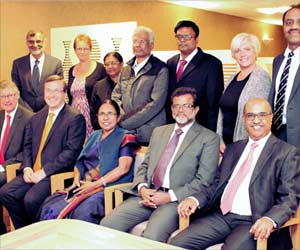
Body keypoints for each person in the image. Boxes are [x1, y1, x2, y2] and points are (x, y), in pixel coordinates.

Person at [170, 97, 300, 250]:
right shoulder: (233, 149)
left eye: (262, 115)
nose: (256, 120)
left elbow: (289, 198)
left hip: (254, 221)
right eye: (250, 115)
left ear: (271, 117)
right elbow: (217, 185)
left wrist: (270, 219)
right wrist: (194, 199)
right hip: (222, 217)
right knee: (176, 243)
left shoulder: (286, 153)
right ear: (244, 119)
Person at [101, 87, 220, 243]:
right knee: (106, 225)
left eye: (186, 106)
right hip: (147, 195)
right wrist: (142, 187)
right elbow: (145, 166)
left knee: (151, 238)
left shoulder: (209, 138)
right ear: (171, 109)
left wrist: (169, 196)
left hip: (175, 201)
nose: (180, 110)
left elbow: (204, 181)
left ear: (196, 109)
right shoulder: (159, 132)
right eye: (176, 106)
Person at [0, 75, 86, 229]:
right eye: (48, 90)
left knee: (31, 199)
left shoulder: (74, 118)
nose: (51, 95)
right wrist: (26, 167)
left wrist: (44, 172)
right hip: (32, 171)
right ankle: (26, 231)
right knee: (6, 192)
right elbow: (27, 146)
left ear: (65, 93)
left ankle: (41, 232)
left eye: (56, 91)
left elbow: (70, 153)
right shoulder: (37, 117)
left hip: (55, 174)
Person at [39, 99, 139, 224]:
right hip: (84, 185)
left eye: (110, 114)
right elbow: (80, 162)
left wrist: (96, 184)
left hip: (108, 189)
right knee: (50, 206)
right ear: (97, 117)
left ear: (118, 117)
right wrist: (76, 179)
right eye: (102, 114)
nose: (106, 118)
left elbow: (123, 168)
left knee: (83, 212)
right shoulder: (94, 135)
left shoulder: (127, 137)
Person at [112, 26, 168, 145]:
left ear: (151, 45)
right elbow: (116, 96)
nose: (137, 45)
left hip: (149, 134)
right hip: (125, 133)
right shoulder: (126, 69)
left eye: (142, 41)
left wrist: (125, 122)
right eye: (135, 41)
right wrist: (121, 116)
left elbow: (155, 103)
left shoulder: (160, 69)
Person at [217, 33, 271, 154]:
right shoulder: (232, 78)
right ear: (233, 55)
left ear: (255, 52)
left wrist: (244, 147)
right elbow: (222, 111)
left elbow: (258, 119)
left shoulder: (261, 78)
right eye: (237, 51)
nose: (242, 54)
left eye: (247, 49)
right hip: (226, 144)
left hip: (246, 146)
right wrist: (219, 139)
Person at [166, 20, 224, 131]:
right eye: (179, 36)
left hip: (199, 127)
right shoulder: (170, 62)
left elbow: (213, 104)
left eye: (187, 36)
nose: (182, 40)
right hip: (174, 125)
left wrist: (211, 134)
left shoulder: (212, 64)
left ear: (197, 39)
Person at [0, 80, 33, 234]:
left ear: (17, 95)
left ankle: (22, 232)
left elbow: (26, 152)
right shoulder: (0, 116)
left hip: (13, 168)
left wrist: (3, 167)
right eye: (3, 97)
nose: (7, 100)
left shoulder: (28, 118)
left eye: (10, 95)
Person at [269, 4, 300, 147]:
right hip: (276, 133)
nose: (294, 26)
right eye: (289, 22)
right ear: (283, 28)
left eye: (299, 22)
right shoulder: (278, 60)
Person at [11, 30, 63, 112]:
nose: (35, 45)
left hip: (49, 111)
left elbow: (58, 90)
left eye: (38, 41)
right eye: (31, 42)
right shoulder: (18, 64)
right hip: (25, 114)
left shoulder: (55, 64)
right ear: (27, 43)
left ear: (45, 42)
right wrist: (27, 112)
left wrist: (44, 111)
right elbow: (15, 91)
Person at [67, 34, 107, 139]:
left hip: (92, 117)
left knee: (92, 148)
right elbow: (70, 96)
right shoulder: (71, 70)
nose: (82, 52)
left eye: (85, 48)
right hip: (74, 116)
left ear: (90, 49)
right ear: (75, 50)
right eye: (79, 49)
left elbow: (104, 96)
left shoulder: (100, 69)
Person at [90, 52, 123, 130]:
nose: (110, 66)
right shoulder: (99, 86)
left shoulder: (130, 84)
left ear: (121, 64)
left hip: (126, 131)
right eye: (107, 64)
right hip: (104, 130)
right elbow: (93, 112)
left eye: (113, 63)